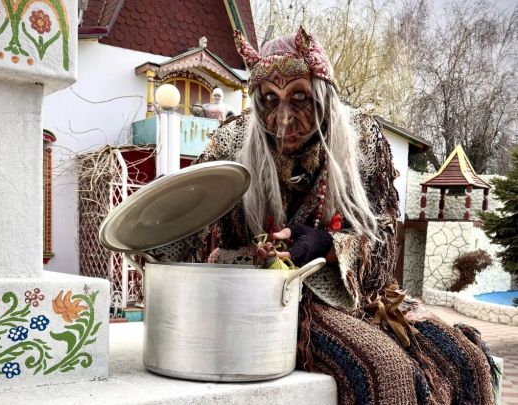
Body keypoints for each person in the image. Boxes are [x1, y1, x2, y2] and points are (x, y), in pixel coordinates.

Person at [152, 27, 498, 404]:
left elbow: (382, 245)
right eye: (269, 99)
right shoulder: (231, 143)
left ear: (322, 96)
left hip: (359, 293)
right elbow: (186, 219)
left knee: (467, 360)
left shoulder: (362, 140)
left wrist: (327, 245)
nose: (283, 118)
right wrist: (153, 238)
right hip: (269, 298)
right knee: (384, 371)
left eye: (299, 97)